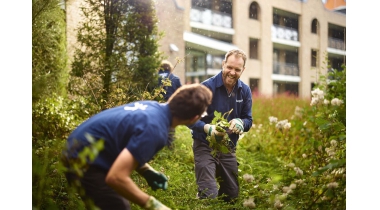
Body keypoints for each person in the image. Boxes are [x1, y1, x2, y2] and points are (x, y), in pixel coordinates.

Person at [62, 84, 212, 210]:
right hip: (81, 159)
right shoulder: (156, 130)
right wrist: (153, 204)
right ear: (194, 118)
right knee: (118, 206)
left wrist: (146, 170)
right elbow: (116, 177)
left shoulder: (153, 106)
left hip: (76, 145)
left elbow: (124, 142)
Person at [188, 49, 253, 203]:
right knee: (209, 195)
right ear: (223, 64)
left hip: (227, 146)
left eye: (237, 69)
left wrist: (241, 123)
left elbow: (248, 120)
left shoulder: (244, 91)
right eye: (229, 67)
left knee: (231, 196)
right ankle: (204, 197)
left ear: (242, 70)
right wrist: (208, 128)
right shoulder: (206, 88)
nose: (232, 72)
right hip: (204, 144)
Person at [157, 60, 182, 148]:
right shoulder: (175, 78)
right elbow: (181, 93)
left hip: (157, 106)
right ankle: (169, 146)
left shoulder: (154, 78)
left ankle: (158, 145)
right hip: (171, 106)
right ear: (170, 68)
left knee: (157, 125)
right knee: (170, 126)